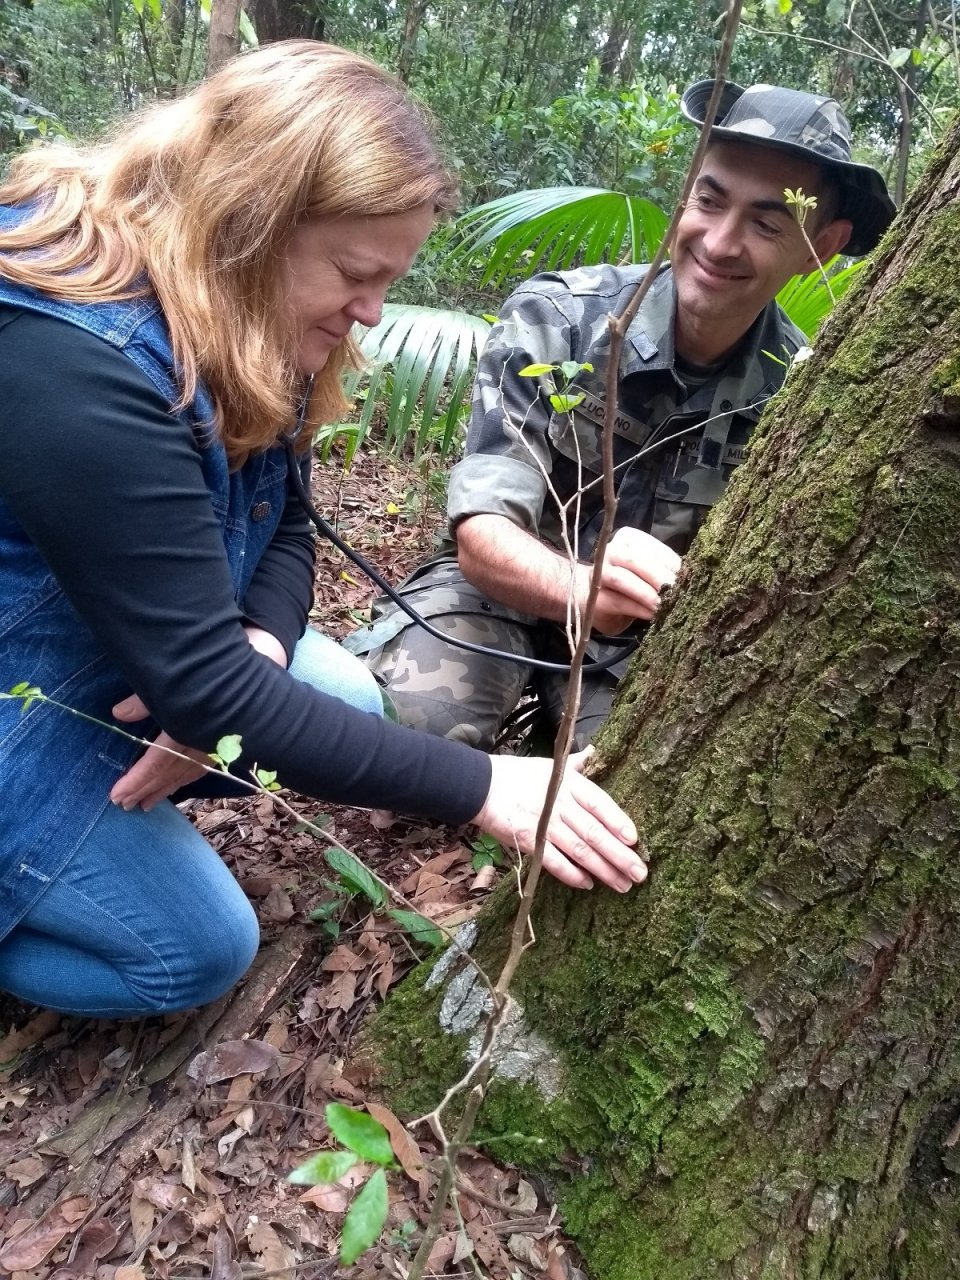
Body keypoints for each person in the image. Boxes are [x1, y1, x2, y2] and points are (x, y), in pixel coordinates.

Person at [0, 41, 647, 1020]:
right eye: (355, 271)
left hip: (100, 653)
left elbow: (288, 524)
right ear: (248, 220)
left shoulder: (237, 311)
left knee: (330, 678)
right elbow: (211, 690)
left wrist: (254, 641)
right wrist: (484, 786)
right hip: (18, 701)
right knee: (194, 952)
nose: (374, 312)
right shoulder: (74, 364)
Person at [347, 79, 897, 748]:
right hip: (499, 592)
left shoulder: (800, 396)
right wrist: (581, 587)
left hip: (641, 643)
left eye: (766, 221)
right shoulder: (561, 319)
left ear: (824, 244)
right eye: (710, 200)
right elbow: (482, 535)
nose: (721, 243)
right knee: (409, 730)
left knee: (634, 793)